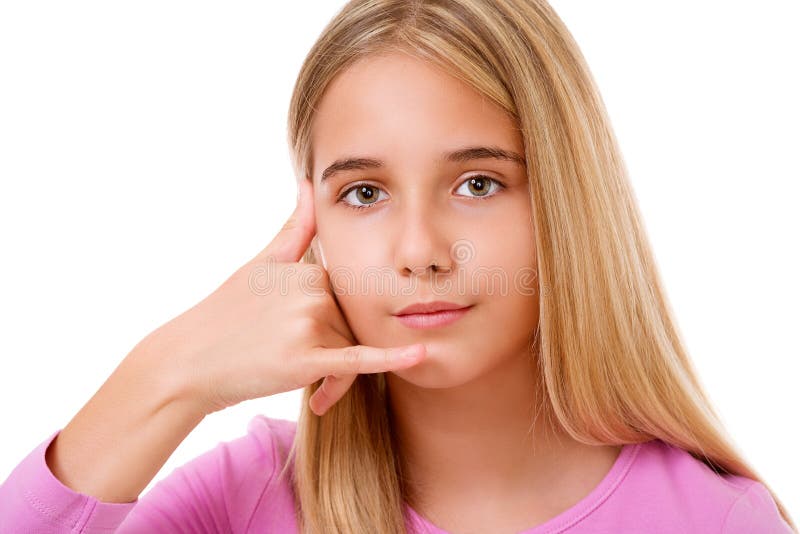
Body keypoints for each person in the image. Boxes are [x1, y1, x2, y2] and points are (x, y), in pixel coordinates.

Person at [0, 0, 795, 532]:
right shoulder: (246, 498)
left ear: (567, 198)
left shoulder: (716, 519)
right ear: (310, 216)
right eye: (365, 192)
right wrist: (169, 373)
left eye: (478, 183)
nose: (418, 252)